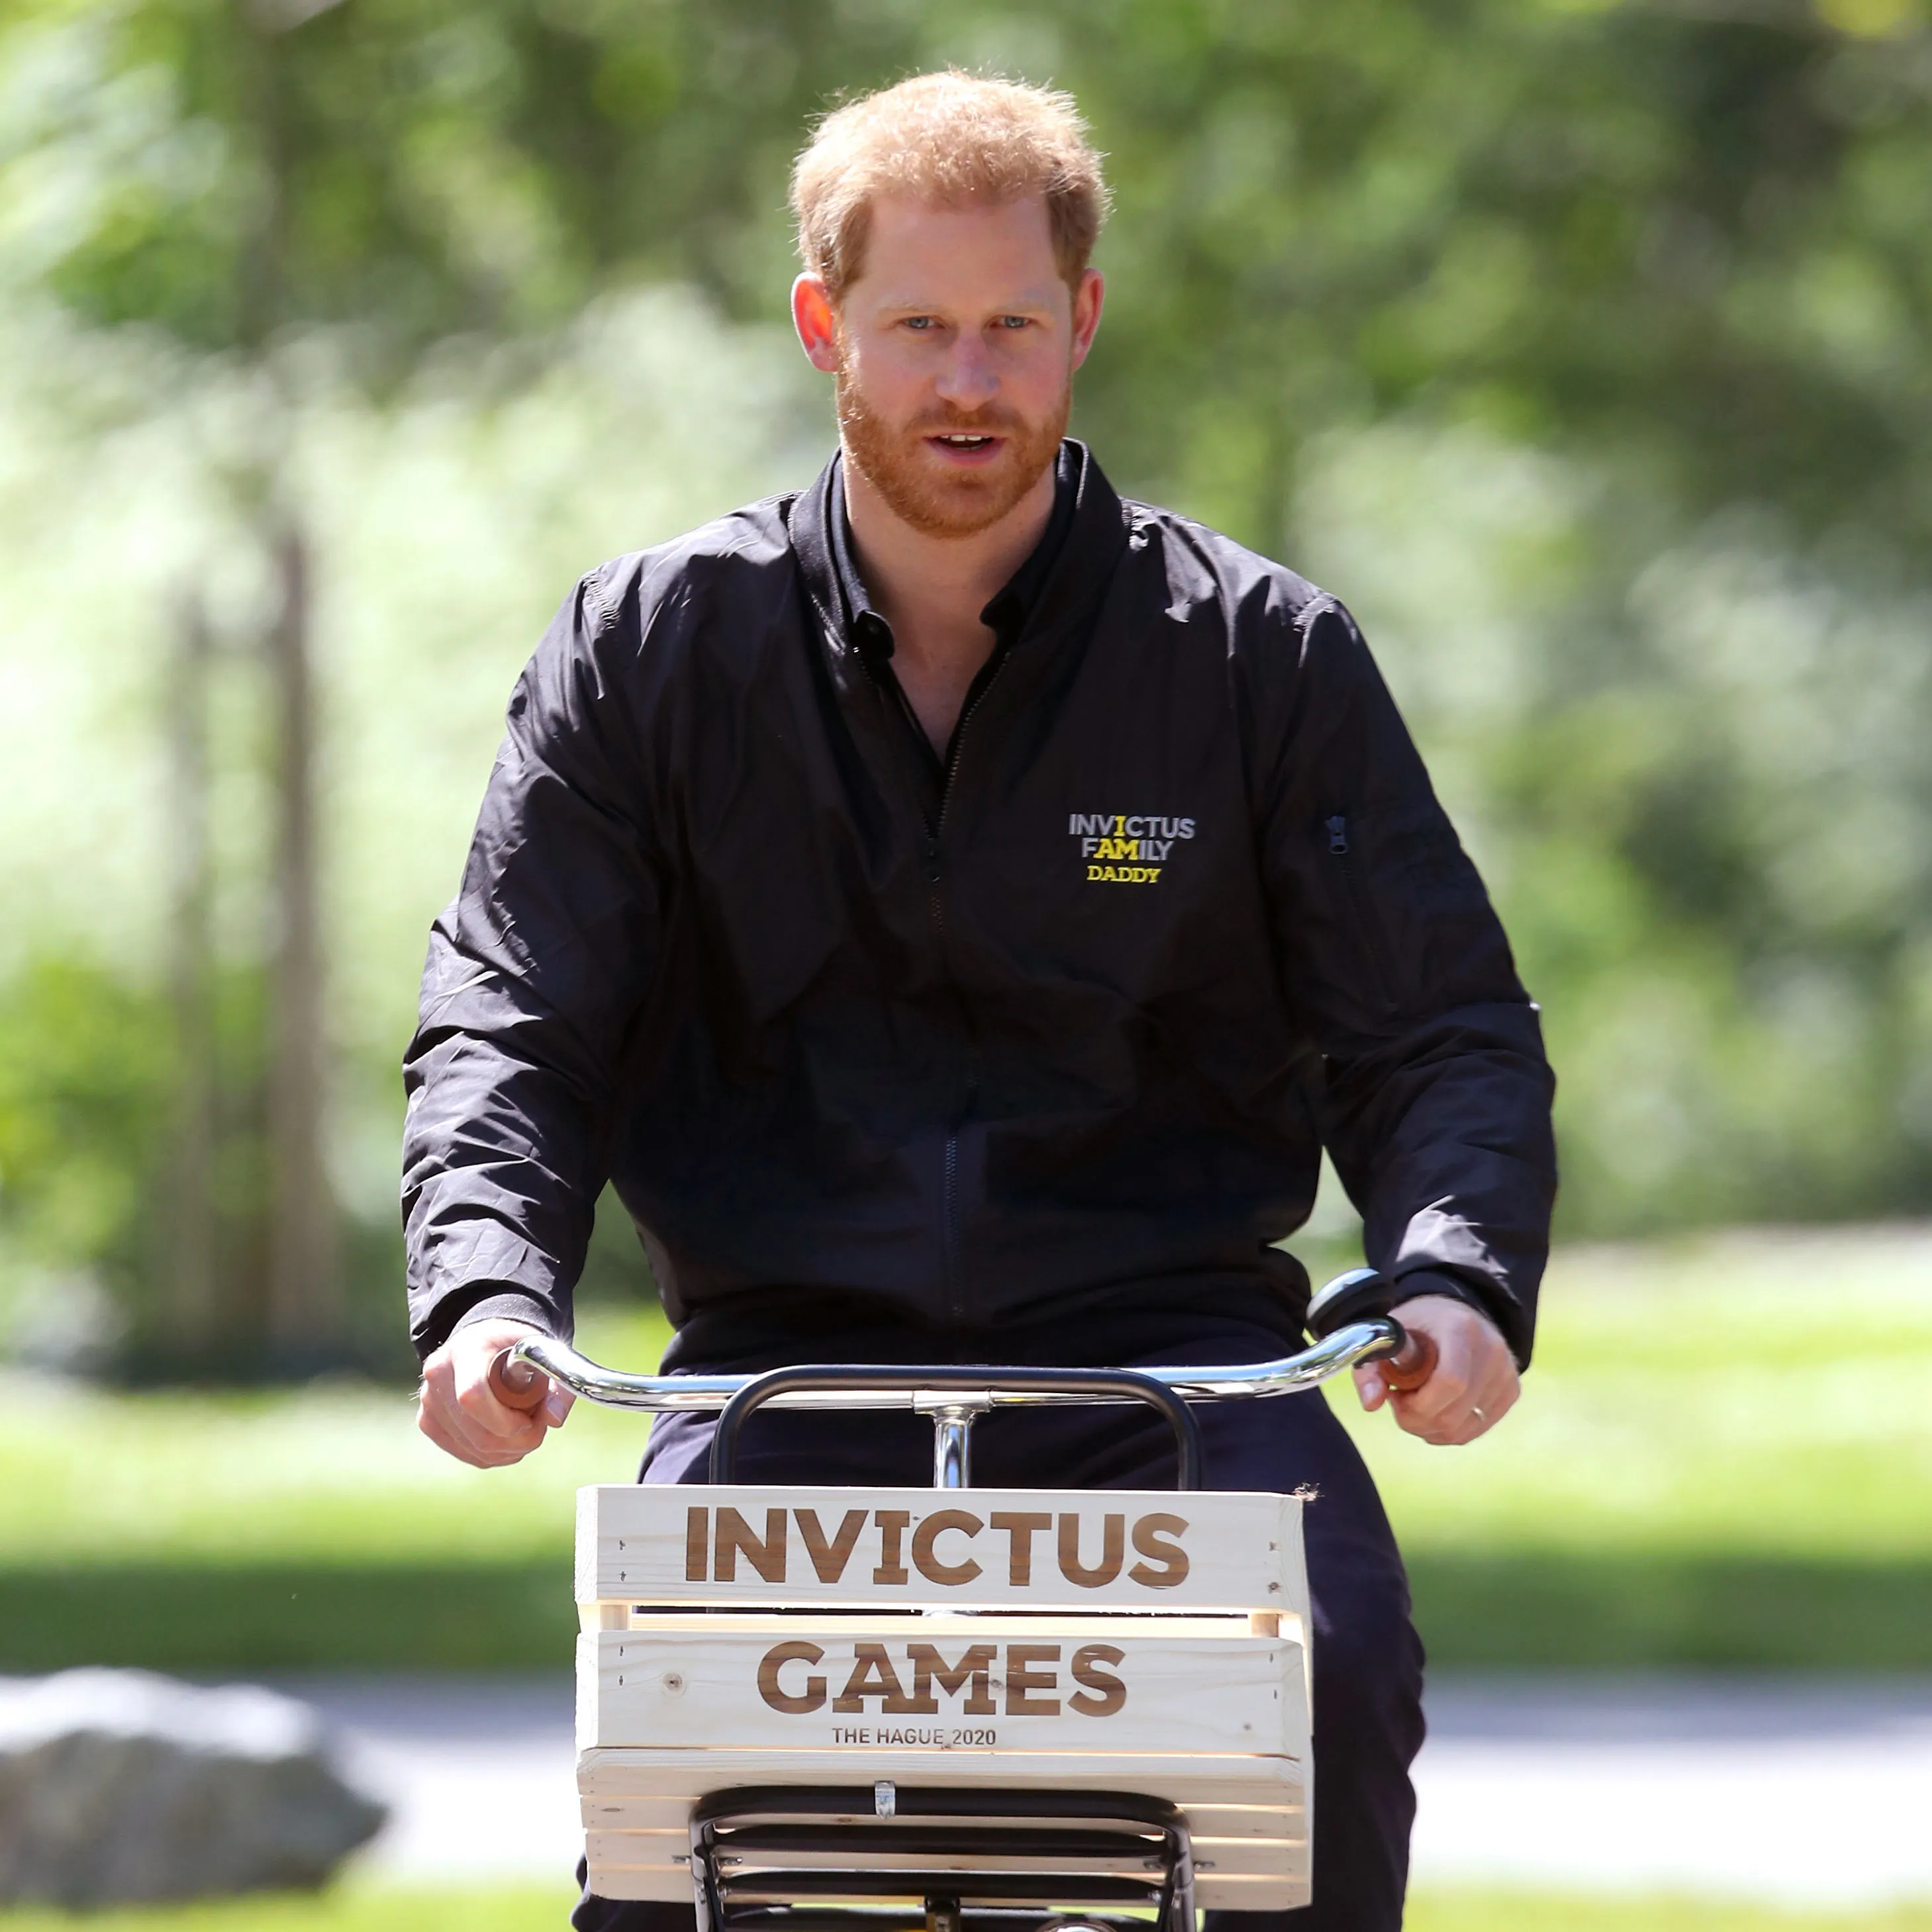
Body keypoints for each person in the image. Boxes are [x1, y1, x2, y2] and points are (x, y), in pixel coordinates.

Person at [404, 70, 1555, 1932]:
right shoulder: (650, 651)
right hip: (782, 1379)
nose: (967, 381)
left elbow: (1433, 1022)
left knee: (1326, 1680)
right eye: (918, 326)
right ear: (821, 328)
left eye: (1013, 325)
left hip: (1172, 1376)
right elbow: (514, 1014)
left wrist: (1454, 1269)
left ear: (1081, 321)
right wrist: (481, 1286)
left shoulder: (1256, 658)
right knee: (669, 1798)